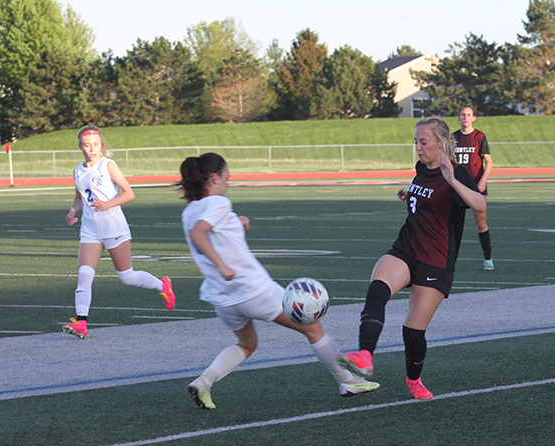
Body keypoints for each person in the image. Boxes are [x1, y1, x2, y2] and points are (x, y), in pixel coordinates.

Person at [176, 152, 379, 409]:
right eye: (227, 178)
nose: (228, 183)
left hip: (222, 297)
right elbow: (199, 234)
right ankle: (348, 381)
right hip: (251, 290)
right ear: (214, 177)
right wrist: (223, 265)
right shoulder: (219, 203)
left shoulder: (190, 210)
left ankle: (204, 382)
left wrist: (237, 224)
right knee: (313, 328)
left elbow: (211, 232)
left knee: (247, 344)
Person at [337, 117, 486, 400]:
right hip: (406, 248)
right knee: (377, 290)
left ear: (441, 144)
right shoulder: (421, 168)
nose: (417, 147)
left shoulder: (456, 172)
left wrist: (453, 181)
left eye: (423, 142)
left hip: (436, 260)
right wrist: (410, 195)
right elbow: (428, 198)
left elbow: (480, 204)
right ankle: (365, 355)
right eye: (415, 141)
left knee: (412, 333)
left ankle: (414, 381)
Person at [63, 125, 175, 339]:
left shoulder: (108, 165)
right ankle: (82, 323)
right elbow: (79, 196)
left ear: (101, 145)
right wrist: (72, 212)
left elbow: (129, 193)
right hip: (90, 231)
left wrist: (108, 204)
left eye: (95, 145)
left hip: (114, 228)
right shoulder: (78, 170)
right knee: (84, 277)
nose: (92, 149)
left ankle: (163, 285)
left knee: (127, 277)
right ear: (80, 147)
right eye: (87, 145)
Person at [453, 105, 494, 270]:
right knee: (453, 224)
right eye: (463, 115)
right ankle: (448, 260)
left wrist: (483, 180)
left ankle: (488, 259)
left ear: (474, 118)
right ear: (459, 117)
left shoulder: (479, 136)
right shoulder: (453, 137)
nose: (465, 118)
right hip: (457, 186)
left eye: (468, 115)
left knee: (480, 223)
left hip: (476, 185)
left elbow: (488, 161)